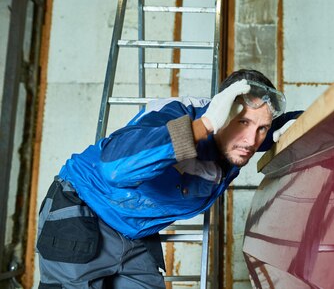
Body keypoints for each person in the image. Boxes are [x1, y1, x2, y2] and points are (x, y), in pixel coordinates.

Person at [36, 69, 298, 289]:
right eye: (242, 123)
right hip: (84, 211)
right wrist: (204, 125)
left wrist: (294, 125)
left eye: (261, 128)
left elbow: (267, 123)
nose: (252, 141)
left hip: (134, 232)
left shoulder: (244, 137)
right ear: (222, 111)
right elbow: (115, 168)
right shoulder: (179, 112)